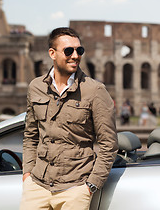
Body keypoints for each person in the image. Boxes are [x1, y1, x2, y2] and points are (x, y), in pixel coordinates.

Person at [20, 27, 118, 210]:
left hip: (75, 188)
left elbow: (108, 144)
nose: (75, 55)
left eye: (79, 50)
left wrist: (90, 186)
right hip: (37, 186)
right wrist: (27, 174)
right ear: (52, 53)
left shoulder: (95, 91)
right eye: (68, 51)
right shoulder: (36, 87)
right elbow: (31, 136)